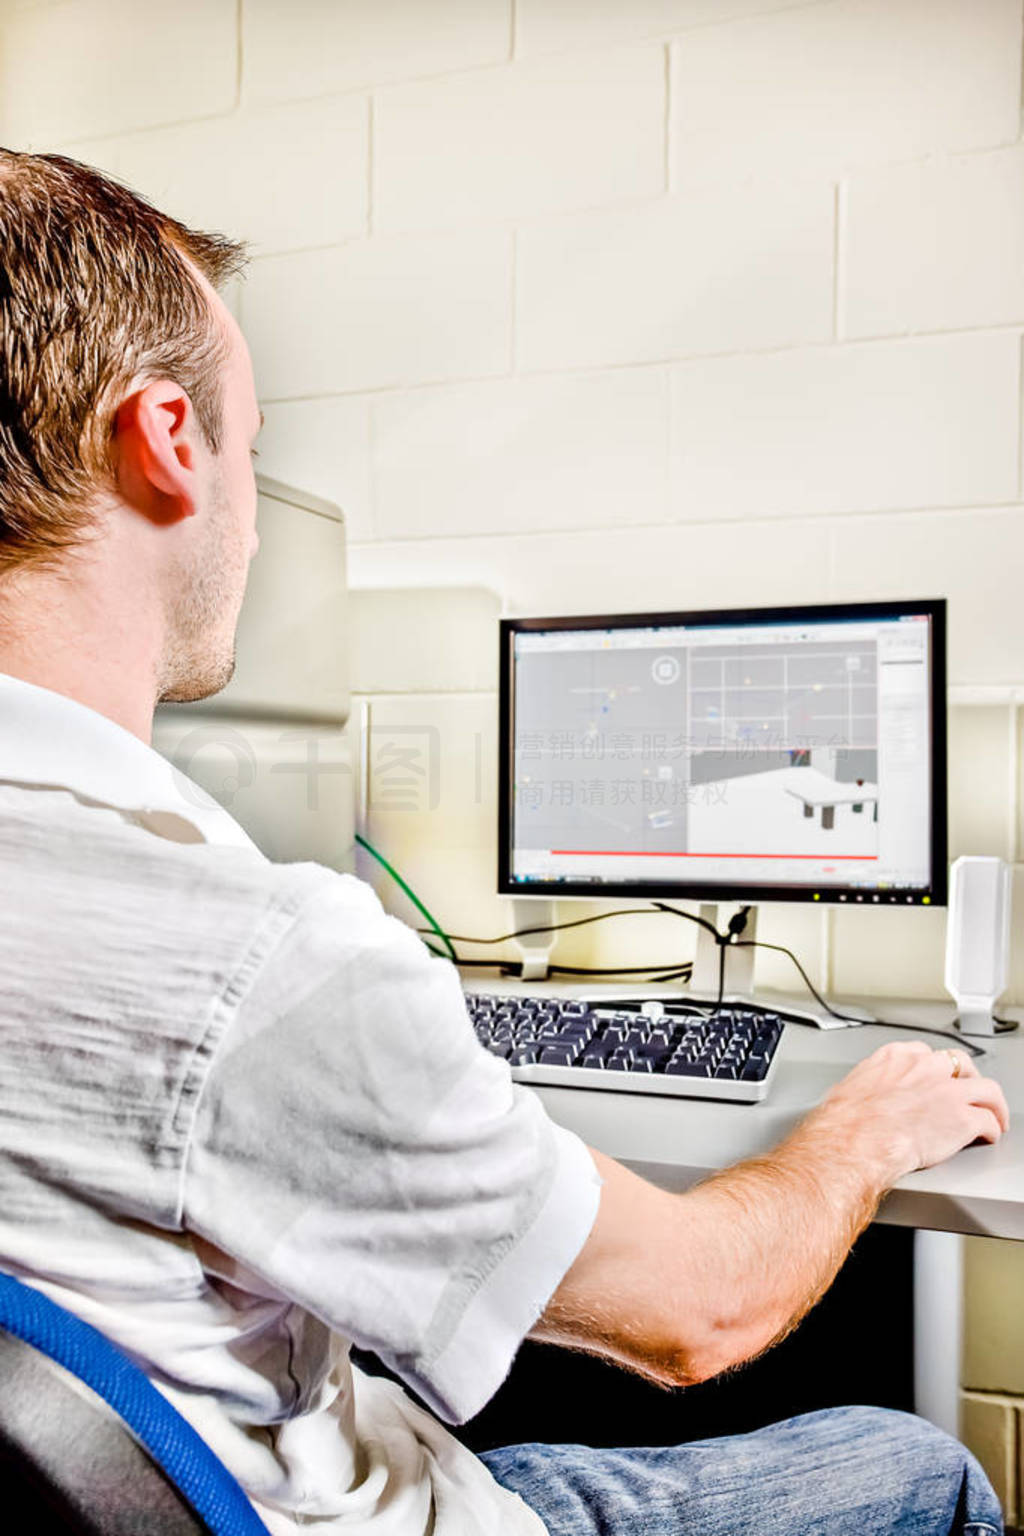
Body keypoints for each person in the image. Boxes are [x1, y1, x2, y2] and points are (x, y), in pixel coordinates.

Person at [0, 147, 1008, 1536]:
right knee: (924, 1465)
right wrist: (860, 1130)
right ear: (168, 441)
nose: (249, 511)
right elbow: (700, 1314)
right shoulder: (256, 964)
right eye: (253, 443)